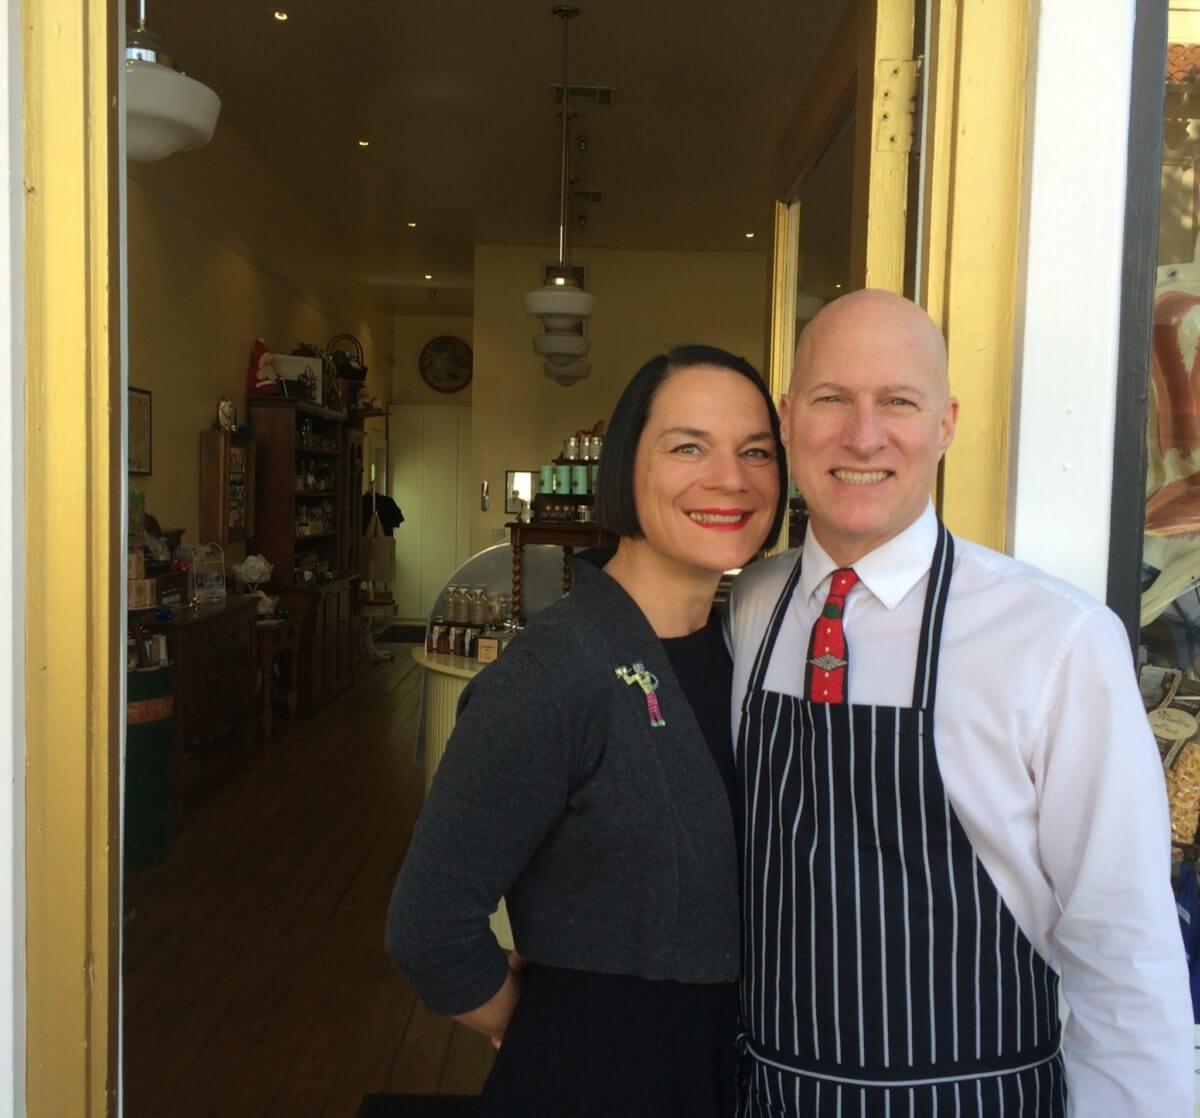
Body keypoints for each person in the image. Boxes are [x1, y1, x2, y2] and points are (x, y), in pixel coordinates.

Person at [727, 290, 1193, 1116]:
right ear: (789, 417)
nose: (862, 436)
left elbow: (1122, 949)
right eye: (833, 398)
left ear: (945, 423)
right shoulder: (750, 608)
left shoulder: (1059, 639)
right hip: (771, 1091)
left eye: (897, 402)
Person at [387, 344, 787, 1116]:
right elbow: (428, 927)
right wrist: (538, 1029)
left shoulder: (751, 650)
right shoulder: (554, 672)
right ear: (621, 469)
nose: (730, 478)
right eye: (688, 447)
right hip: (597, 1080)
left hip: (725, 1072)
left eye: (756, 451)